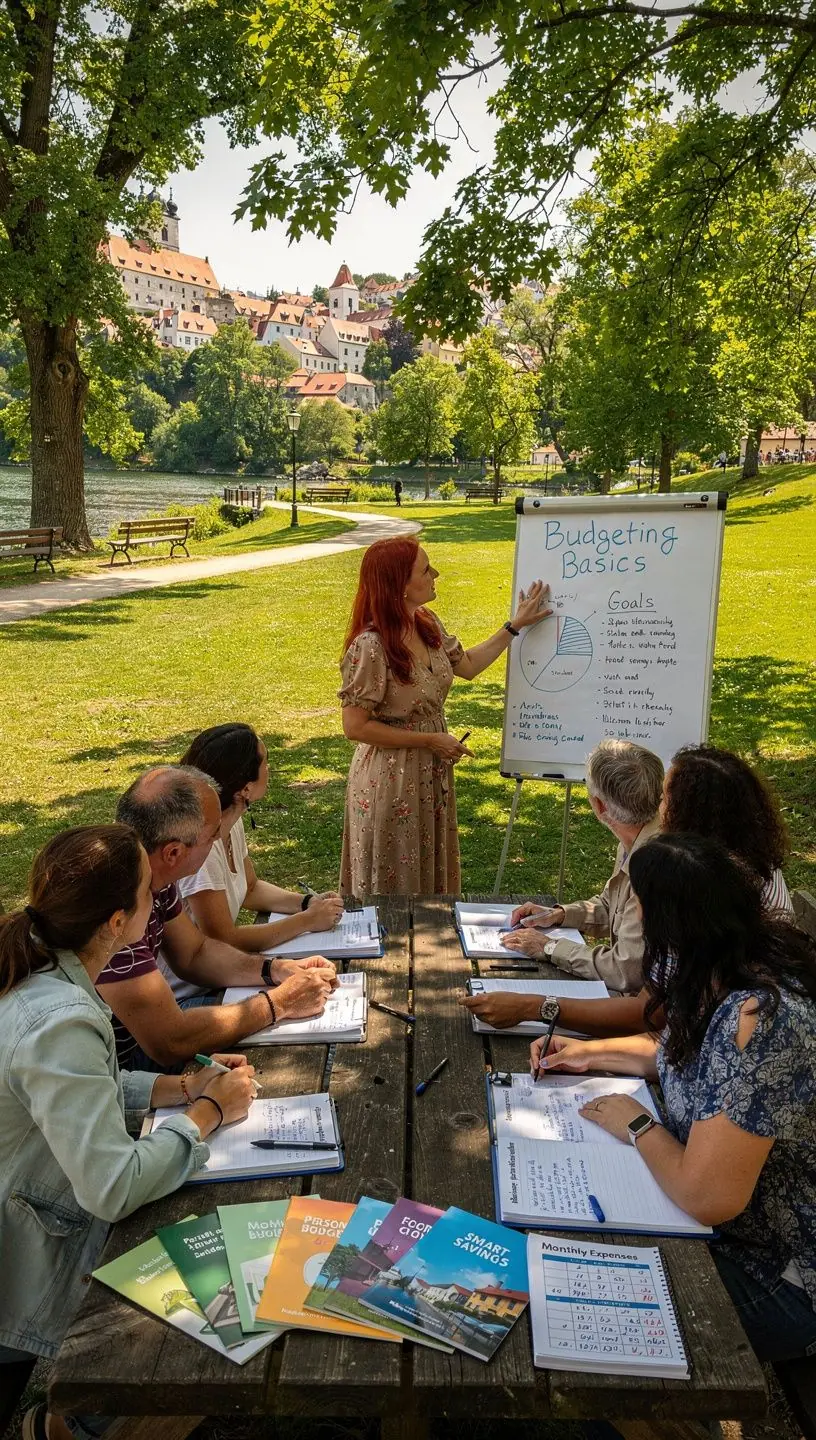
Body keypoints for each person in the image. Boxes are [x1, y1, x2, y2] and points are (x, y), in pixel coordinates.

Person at [0, 824, 256, 1436]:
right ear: (117, 921)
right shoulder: (58, 1018)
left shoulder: (43, 972)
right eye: (149, 891)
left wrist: (179, 1089)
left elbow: (73, 1096)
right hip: (19, 1253)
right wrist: (207, 1115)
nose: (161, 898)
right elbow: (111, 1185)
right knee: (218, 1327)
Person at [529, 833, 816, 1363]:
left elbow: (710, 1197)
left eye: (641, 911)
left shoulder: (760, 1017)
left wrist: (639, 1126)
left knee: (581, 1314)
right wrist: (590, 1055)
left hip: (783, 1273)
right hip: (720, 1229)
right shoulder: (720, 967)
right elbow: (678, 1054)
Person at [461, 743, 793, 1034]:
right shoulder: (720, 861)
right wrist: (562, 915)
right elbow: (617, 914)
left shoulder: (679, 875)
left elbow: (642, 995)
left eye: (665, 798)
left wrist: (537, 992)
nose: (658, 807)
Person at [338, 535, 550, 895]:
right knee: (395, 883)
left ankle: (427, 947)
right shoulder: (370, 646)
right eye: (425, 569)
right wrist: (430, 740)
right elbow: (355, 726)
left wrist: (515, 626)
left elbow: (466, 665)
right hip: (391, 780)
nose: (435, 573)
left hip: (430, 773)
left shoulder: (426, 622)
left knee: (428, 880)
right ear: (399, 586)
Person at [96, 767, 336, 1072]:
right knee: (311, 1058)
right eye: (212, 837)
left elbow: (195, 953)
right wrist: (280, 1003)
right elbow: (170, 1042)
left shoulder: (151, 876)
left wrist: (276, 969)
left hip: (143, 1048)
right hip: (120, 1070)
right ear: (173, 853)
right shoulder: (116, 914)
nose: (218, 841)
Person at [502, 739, 664, 990]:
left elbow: (625, 971)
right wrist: (560, 915)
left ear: (599, 806)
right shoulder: (636, 837)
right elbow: (613, 908)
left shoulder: (654, 863)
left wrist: (549, 946)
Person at [176, 723, 343, 956]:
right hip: (200, 989)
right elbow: (223, 939)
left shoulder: (231, 821)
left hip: (222, 974)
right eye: (265, 763)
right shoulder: (203, 847)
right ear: (245, 788)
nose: (269, 768)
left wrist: (307, 902)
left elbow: (251, 888)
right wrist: (307, 921)